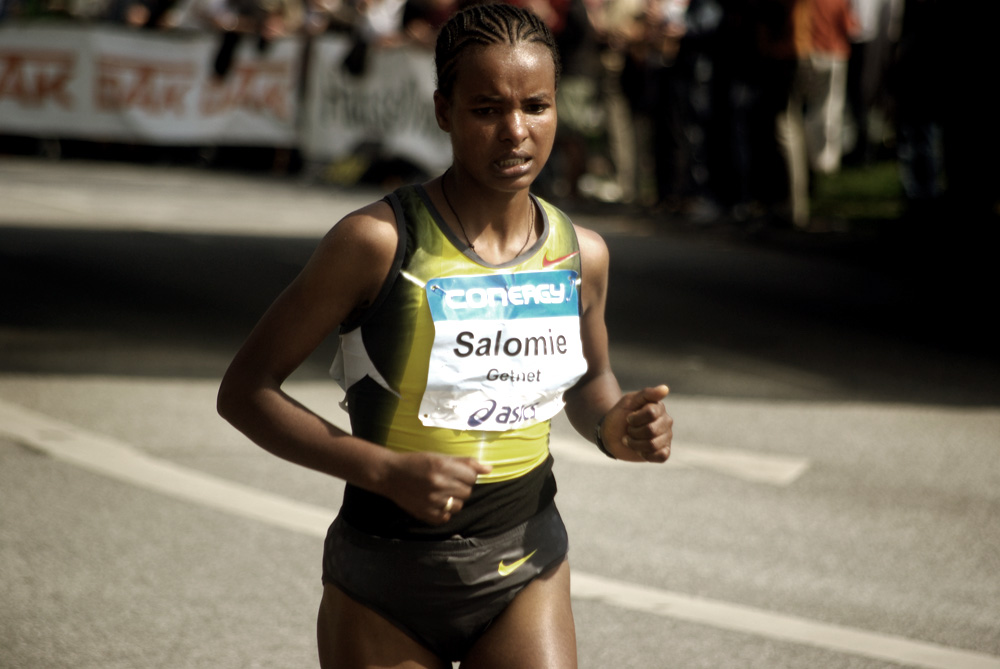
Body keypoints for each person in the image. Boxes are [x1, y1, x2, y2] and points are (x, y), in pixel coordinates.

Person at [216, 3, 673, 667]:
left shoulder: (582, 253)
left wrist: (613, 424)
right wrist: (385, 470)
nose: (515, 131)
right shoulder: (375, 242)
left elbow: (587, 378)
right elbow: (244, 391)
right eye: (487, 108)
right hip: (385, 577)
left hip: (526, 564)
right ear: (442, 111)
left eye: (536, 106)